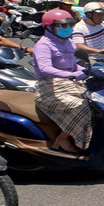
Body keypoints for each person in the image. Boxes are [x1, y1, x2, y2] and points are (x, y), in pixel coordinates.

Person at [32, 9, 93, 154]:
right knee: (82, 106)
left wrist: (88, 70)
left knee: (97, 102)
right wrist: (70, 75)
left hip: (71, 83)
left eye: (70, 25)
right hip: (49, 87)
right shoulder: (43, 45)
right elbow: (45, 68)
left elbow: (73, 65)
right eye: (63, 26)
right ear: (49, 27)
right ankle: (63, 138)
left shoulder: (70, 43)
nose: (68, 29)